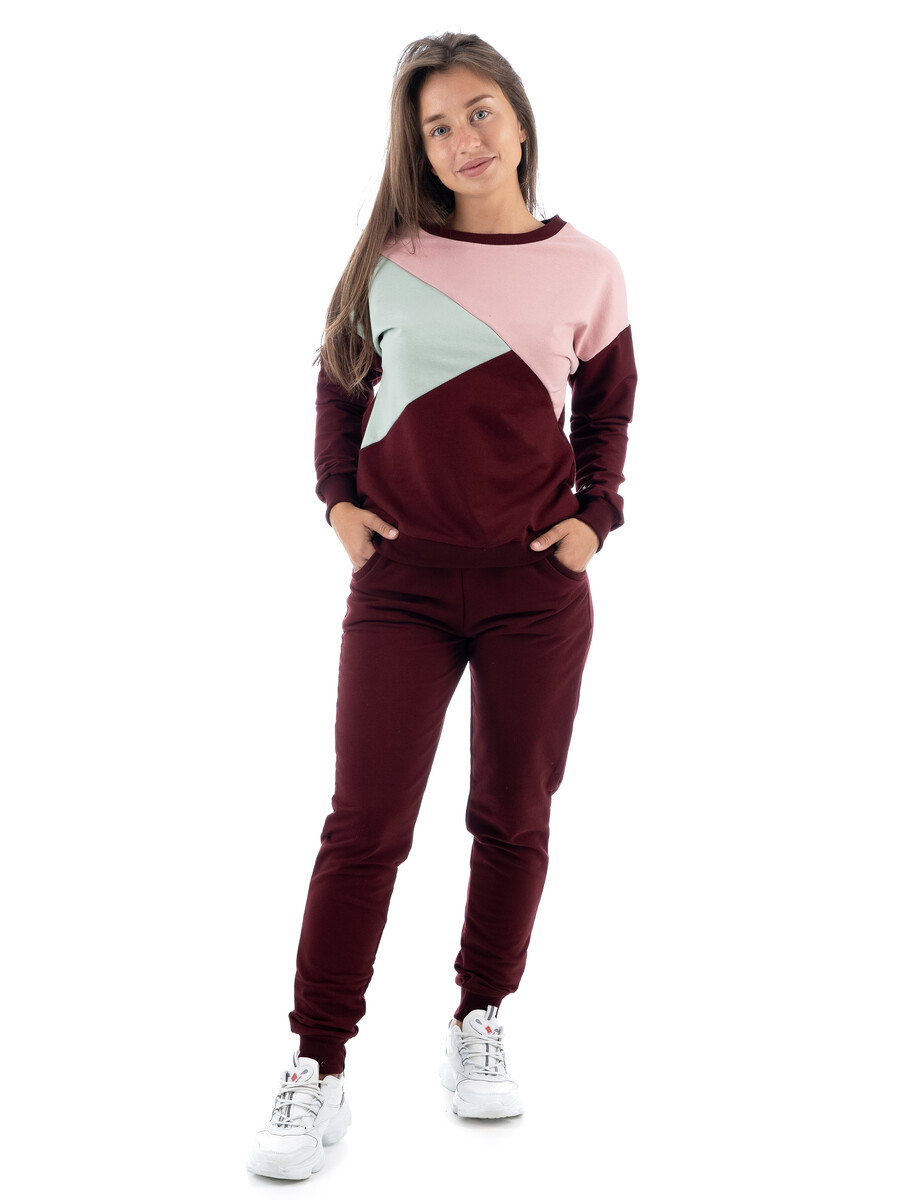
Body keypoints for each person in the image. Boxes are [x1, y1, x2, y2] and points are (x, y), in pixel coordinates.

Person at [246, 30, 638, 1181]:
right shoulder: (390, 257)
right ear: (414, 148)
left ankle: (480, 1015)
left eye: (478, 112)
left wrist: (595, 518)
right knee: (364, 825)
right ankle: (316, 1065)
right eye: (436, 126)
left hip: (534, 591)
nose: (463, 138)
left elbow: (609, 408)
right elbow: (338, 383)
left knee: (512, 815)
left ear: (517, 117)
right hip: (403, 589)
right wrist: (337, 500)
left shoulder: (591, 268)